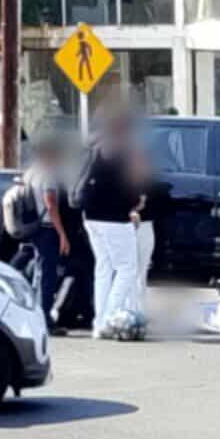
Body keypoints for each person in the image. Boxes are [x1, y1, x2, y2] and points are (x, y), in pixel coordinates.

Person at [73, 113, 153, 340]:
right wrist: (137, 202)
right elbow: (130, 187)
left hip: (91, 217)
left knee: (104, 268)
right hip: (114, 219)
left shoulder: (96, 149)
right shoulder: (124, 151)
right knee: (127, 268)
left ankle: (99, 321)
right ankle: (109, 320)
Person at [24, 137, 73, 336]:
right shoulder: (48, 174)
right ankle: (45, 319)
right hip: (47, 229)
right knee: (47, 276)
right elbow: (51, 204)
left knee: (38, 273)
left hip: (34, 228)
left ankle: (35, 315)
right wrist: (62, 234)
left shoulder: (30, 172)